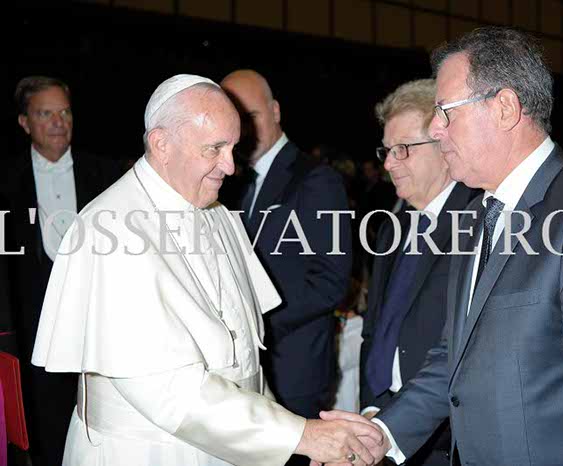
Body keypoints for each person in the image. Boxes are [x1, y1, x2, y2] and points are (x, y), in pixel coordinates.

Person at [325, 26, 563, 466]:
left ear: (505, 107)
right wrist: (382, 437)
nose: (436, 128)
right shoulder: (480, 216)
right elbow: (455, 358)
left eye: (446, 112)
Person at [30, 74, 383, 466]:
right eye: (214, 148)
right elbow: (168, 392)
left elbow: (246, 358)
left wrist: (290, 439)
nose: (230, 167)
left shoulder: (218, 215)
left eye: (233, 148)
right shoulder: (109, 228)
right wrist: (300, 436)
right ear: (161, 144)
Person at [219, 71, 352, 432]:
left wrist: (254, 324)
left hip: (294, 368)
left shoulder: (317, 180)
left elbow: (330, 281)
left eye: (252, 117)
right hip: (244, 370)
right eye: (236, 119)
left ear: (275, 111)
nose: (244, 130)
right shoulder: (233, 184)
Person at [0, 75, 121, 466]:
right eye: (45, 113)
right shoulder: (4, 181)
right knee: (48, 437)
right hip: (36, 337)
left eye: (64, 111)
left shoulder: (107, 176)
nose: (57, 121)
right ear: (24, 122)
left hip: (100, 335)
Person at [359, 79, 477, 466]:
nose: (389, 163)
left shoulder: (479, 225)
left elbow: (468, 355)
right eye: (387, 150)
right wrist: (373, 408)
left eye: (403, 149)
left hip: (442, 436)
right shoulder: (393, 223)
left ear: (445, 146)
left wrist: (398, 425)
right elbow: (376, 328)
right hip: (381, 417)